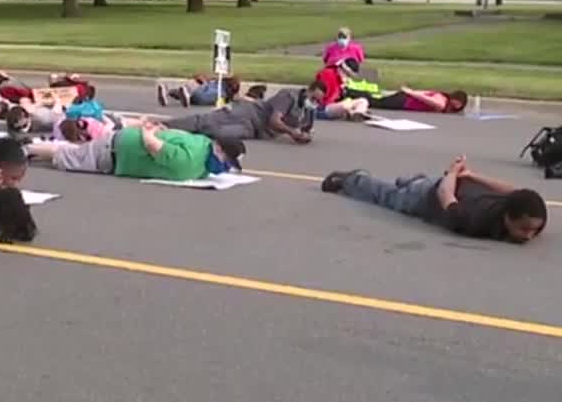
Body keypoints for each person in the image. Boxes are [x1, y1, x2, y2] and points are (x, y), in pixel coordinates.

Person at [320, 156, 546, 243]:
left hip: (457, 185)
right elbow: (444, 195)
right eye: (524, 229)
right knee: (387, 197)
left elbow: (514, 190)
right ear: (508, 218)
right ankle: (351, 180)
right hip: (429, 197)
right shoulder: (472, 219)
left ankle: (410, 180)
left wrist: (471, 174)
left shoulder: (529, 211)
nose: (530, 235)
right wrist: (452, 173)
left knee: (413, 185)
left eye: (533, 230)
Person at [27, 120, 245, 181]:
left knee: (76, 152)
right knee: (66, 156)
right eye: (226, 160)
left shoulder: (202, 142)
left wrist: (156, 131)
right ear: (218, 148)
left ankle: (34, 149)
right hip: (114, 154)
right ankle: (26, 149)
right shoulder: (188, 161)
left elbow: (173, 135)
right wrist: (147, 131)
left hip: (117, 146)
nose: (225, 167)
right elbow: (153, 146)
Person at [164, 81, 324, 144]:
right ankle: (161, 126)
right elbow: (274, 121)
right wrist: (292, 133)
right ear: (307, 91)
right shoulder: (288, 96)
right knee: (205, 121)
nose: (314, 103)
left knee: (217, 133)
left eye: (318, 101)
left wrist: (305, 136)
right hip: (248, 113)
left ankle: (173, 137)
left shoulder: (308, 110)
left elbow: (306, 128)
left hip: (253, 130)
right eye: (313, 98)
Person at [157, 76, 241, 108]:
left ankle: (168, 91)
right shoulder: (225, 96)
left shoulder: (217, 85)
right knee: (186, 93)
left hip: (199, 94)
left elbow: (206, 86)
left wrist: (203, 81)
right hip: (201, 101)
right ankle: (182, 95)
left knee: (193, 86)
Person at [369, 87, 468, 114]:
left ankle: (358, 96)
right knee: (376, 103)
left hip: (404, 99)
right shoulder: (441, 103)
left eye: (460, 105)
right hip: (405, 102)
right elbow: (425, 98)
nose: (458, 106)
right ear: (454, 98)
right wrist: (410, 92)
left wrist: (411, 92)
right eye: (458, 102)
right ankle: (357, 97)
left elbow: (425, 92)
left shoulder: (442, 97)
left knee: (377, 101)